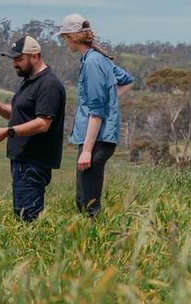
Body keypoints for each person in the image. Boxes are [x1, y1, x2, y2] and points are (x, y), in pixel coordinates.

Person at [0, 35, 67, 221]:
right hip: (22, 161)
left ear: (34, 56)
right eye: (13, 59)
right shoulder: (29, 80)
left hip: (33, 163)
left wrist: (7, 132)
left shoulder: (49, 84)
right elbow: (19, 113)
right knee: (22, 215)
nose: (15, 64)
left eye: (19, 59)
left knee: (28, 219)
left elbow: (43, 123)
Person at [57, 14, 134, 216]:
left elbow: (96, 112)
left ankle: (95, 234)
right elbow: (127, 81)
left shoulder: (92, 62)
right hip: (99, 139)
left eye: (64, 37)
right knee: (84, 199)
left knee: (87, 203)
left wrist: (87, 151)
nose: (64, 41)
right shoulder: (98, 58)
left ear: (72, 37)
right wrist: (110, 99)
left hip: (96, 140)